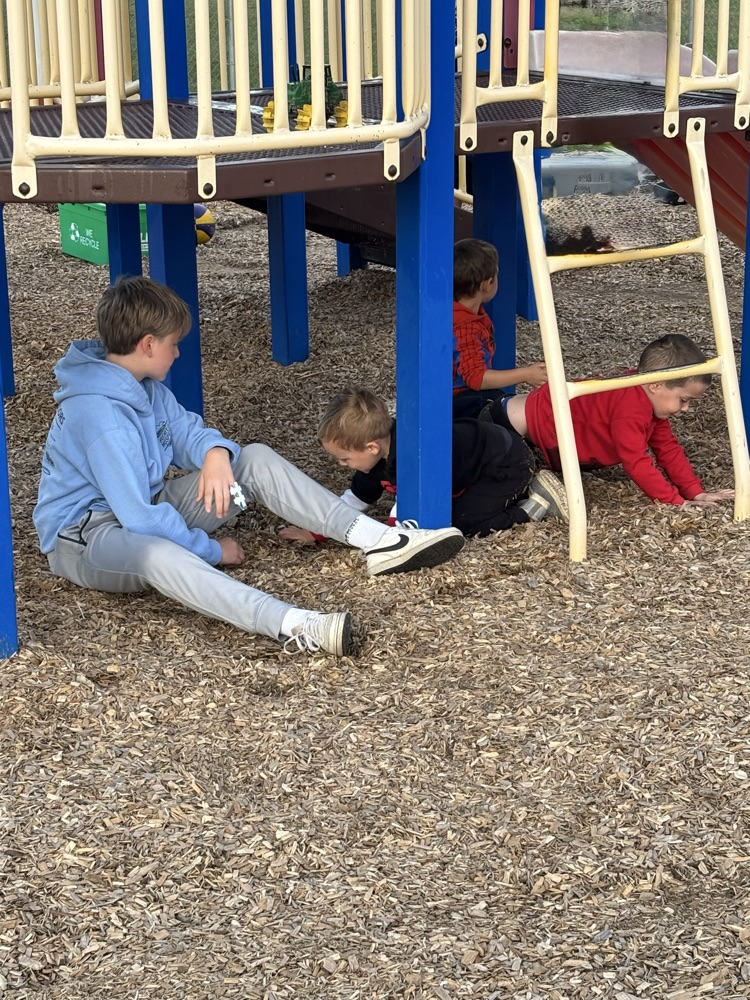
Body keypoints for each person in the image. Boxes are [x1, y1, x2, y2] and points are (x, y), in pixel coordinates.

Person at [33, 276, 466, 659]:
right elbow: (141, 521)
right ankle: (294, 625)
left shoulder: (144, 386)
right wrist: (210, 550)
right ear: (148, 344)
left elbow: (187, 434)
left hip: (145, 505)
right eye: (172, 343)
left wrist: (216, 454)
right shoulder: (100, 416)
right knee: (160, 551)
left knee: (252, 459)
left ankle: (381, 540)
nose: (178, 352)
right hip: (88, 540)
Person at [278, 388, 568, 547]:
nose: (342, 465)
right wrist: (317, 530)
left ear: (371, 447)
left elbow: (403, 524)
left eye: (344, 459)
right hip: (475, 458)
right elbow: (353, 500)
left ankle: (533, 506)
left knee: (458, 524)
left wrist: (385, 544)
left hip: (504, 464)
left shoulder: (410, 457)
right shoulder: (375, 458)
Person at [487, 333, 734, 508]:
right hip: (510, 422)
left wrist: (695, 491)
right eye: (684, 400)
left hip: (535, 425)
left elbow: (667, 448)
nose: (687, 408)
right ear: (655, 384)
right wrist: (675, 502)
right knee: (508, 475)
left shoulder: (649, 400)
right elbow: (636, 461)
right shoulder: (631, 406)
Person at [452, 238, 547, 420]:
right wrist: (526, 374)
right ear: (487, 285)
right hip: (461, 401)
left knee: (509, 402)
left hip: (464, 395)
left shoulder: (462, 311)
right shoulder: (463, 326)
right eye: (497, 275)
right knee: (513, 412)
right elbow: (477, 378)